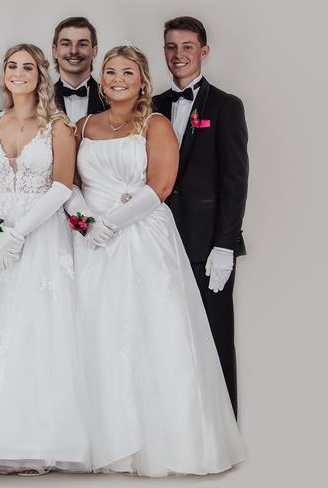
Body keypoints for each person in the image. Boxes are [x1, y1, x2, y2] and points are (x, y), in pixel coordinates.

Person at [66, 44, 245, 476]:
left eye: (127, 72)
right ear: (100, 77)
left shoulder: (156, 123)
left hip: (142, 236)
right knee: (96, 332)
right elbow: (67, 180)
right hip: (93, 243)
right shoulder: (81, 125)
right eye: (110, 72)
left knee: (151, 332)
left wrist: (114, 220)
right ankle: (103, 439)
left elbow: (160, 185)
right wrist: (89, 222)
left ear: (142, 79)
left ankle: (160, 443)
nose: (117, 79)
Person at [0, 43, 90, 476]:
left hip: (41, 232)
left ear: (40, 74)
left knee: (37, 325)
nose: (18, 73)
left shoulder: (58, 126)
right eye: (12, 66)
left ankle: (42, 436)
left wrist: (20, 231)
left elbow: (63, 187)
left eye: (27, 67)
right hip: (0, 236)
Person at [152, 16, 249, 416]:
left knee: (214, 337)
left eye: (187, 47)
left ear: (203, 51)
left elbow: (235, 179)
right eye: (171, 47)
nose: (179, 55)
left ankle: (222, 426)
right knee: (166, 334)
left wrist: (225, 244)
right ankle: (175, 422)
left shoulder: (226, 105)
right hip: (157, 239)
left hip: (207, 243)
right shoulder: (152, 106)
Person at [52, 16, 105, 122]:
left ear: (94, 51)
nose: (74, 51)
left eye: (82, 44)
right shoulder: (40, 99)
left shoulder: (110, 98)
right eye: (66, 44)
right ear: (54, 51)